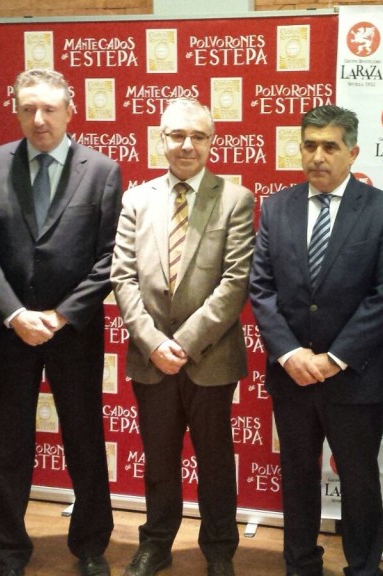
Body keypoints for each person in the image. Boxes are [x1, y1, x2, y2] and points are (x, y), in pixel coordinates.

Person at [0, 68, 121, 576]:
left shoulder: (101, 171)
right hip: (12, 331)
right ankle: (7, 551)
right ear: (16, 109)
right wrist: (13, 314)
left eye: (50, 108)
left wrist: (61, 314)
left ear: (71, 109)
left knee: (84, 439)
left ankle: (91, 547)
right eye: (29, 108)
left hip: (72, 331)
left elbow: (111, 257)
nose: (39, 119)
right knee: (9, 442)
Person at [248, 105, 383, 576]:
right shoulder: (277, 206)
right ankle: (300, 564)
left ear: (352, 152)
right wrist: (291, 353)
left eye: (330, 146)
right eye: (310, 145)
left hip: (354, 377)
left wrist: (335, 358)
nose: (318, 156)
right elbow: (261, 287)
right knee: (297, 477)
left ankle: (362, 567)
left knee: (359, 480)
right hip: (291, 373)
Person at [110, 98, 254, 576]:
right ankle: (156, 543)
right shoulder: (136, 199)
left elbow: (235, 283)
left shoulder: (235, 199)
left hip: (209, 357)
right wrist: (153, 343)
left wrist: (184, 343)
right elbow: (123, 278)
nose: (186, 145)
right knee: (158, 461)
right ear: (162, 139)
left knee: (215, 461)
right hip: (151, 356)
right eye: (176, 135)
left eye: (198, 136)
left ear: (212, 142)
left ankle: (218, 550)